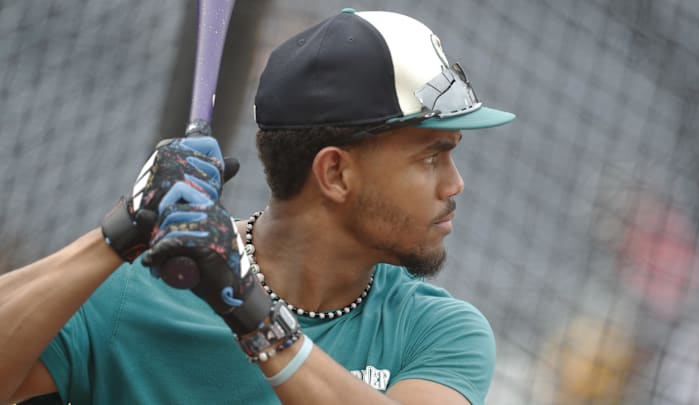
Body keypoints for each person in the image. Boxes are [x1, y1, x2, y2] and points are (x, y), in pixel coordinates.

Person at [0, 9, 515, 405]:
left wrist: (251, 314)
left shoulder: (436, 330)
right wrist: (121, 231)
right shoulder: (137, 290)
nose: (456, 185)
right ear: (335, 174)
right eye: (432, 157)